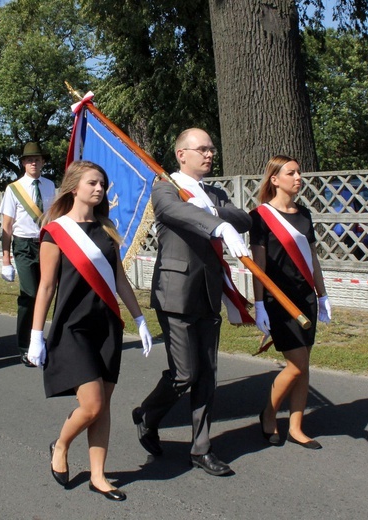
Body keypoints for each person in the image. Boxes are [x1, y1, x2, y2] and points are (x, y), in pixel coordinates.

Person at [28, 160, 153, 501]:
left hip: (106, 325)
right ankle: (61, 444)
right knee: (92, 404)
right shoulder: (56, 232)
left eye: (102, 184)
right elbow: (47, 287)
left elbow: (120, 281)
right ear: (73, 187)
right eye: (93, 183)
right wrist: (36, 335)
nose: (99, 189)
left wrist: (140, 319)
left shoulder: (107, 230)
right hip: (72, 328)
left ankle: (99, 475)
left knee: (104, 404)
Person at [132, 128, 252, 476]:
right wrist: (216, 222)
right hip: (176, 290)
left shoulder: (213, 193)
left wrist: (215, 211)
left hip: (208, 291)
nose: (210, 154)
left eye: (212, 149)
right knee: (184, 374)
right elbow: (174, 213)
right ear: (181, 154)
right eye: (202, 149)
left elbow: (242, 219)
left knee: (207, 374)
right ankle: (147, 414)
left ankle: (201, 448)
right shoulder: (166, 187)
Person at [249, 155, 331, 450]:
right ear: (274, 179)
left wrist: (322, 295)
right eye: (291, 173)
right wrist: (258, 304)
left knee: (304, 365)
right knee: (295, 365)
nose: (298, 177)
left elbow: (313, 259)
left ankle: (296, 426)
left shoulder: (304, 215)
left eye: (299, 172)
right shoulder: (259, 216)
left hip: (305, 296)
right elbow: (257, 264)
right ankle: (268, 413)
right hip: (279, 301)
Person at [0, 142, 56, 367]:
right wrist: (5, 260)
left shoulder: (50, 186)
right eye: (29, 159)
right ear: (23, 163)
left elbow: (54, 217)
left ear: (43, 162)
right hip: (23, 245)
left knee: (47, 293)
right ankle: (26, 344)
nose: (33, 163)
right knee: (30, 294)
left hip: (46, 243)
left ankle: (39, 339)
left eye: (37, 159)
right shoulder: (14, 189)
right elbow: (7, 225)